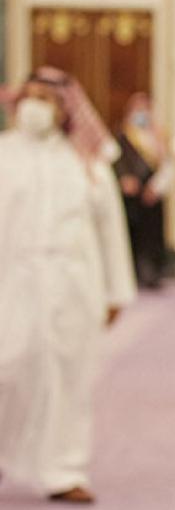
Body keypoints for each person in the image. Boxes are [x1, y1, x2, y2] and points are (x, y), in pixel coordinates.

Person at [0, 73, 136, 504]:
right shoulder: (3, 155)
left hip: (73, 286)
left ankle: (64, 469)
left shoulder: (87, 162)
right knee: (7, 370)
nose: (35, 106)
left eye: (46, 98)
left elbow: (110, 230)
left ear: (65, 108)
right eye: (30, 96)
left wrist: (116, 292)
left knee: (70, 380)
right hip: (11, 281)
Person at [114, 92, 173, 288]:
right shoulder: (124, 134)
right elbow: (118, 161)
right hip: (132, 195)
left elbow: (166, 164)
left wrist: (156, 187)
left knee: (152, 235)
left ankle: (153, 271)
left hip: (152, 193)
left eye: (144, 109)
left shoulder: (158, 136)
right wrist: (124, 178)